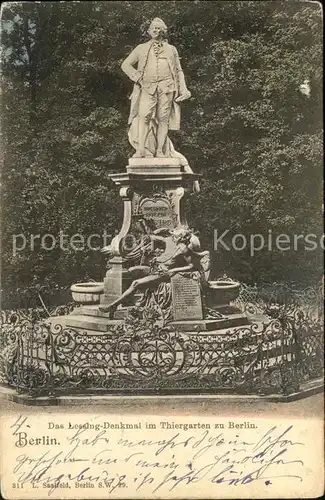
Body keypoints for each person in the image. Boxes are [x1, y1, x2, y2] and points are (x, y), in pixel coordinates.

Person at [121, 17, 191, 159]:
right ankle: (140, 150)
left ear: (163, 31)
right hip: (147, 87)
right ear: (148, 31)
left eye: (158, 28)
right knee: (144, 117)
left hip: (167, 88)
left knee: (163, 119)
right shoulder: (141, 48)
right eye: (153, 27)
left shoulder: (172, 49)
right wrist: (137, 77)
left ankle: (160, 151)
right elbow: (125, 65)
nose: (155, 30)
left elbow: (178, 70)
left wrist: (183, 89)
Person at [99, 227, 210, 313]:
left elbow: (191, 266)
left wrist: (175, 270)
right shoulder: (170, 241)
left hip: (163, 273)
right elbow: (153, 237)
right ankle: (132, 299)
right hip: (154, 268)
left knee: (135, 283)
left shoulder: (184, 250)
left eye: (175, 236)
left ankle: (113, 306)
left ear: (181, 238)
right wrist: (156, 232)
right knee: (132, 270)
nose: (173, 238)